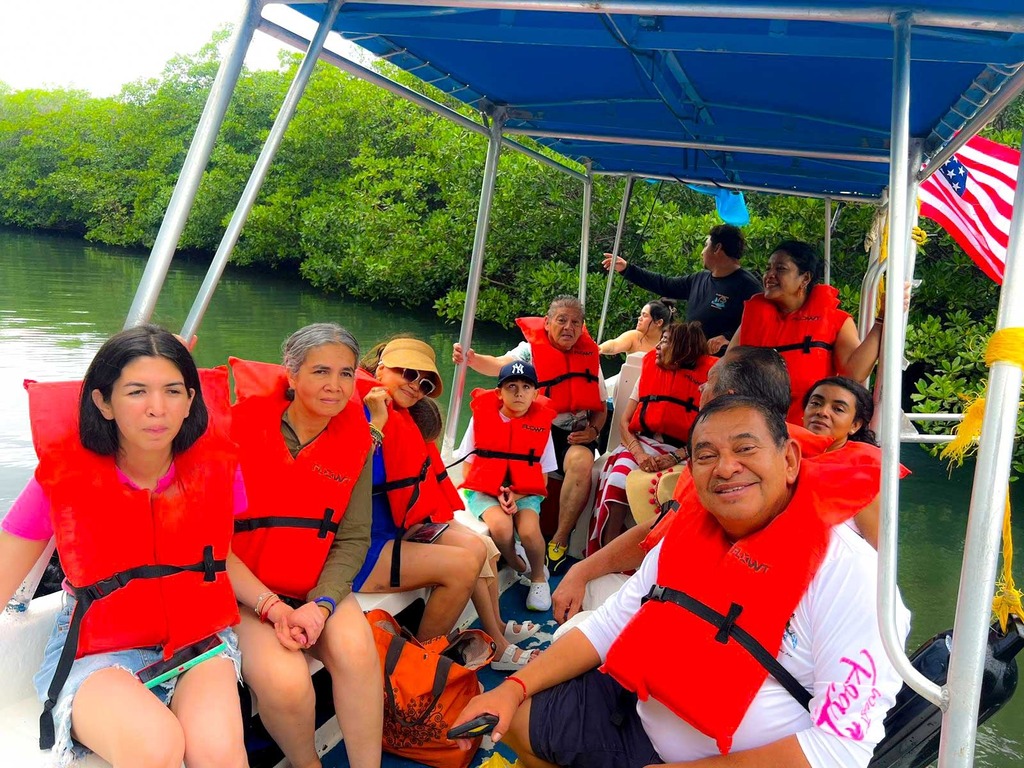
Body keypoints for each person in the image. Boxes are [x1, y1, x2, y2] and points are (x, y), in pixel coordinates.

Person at [453, 396, 909, 768]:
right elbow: (611, 624)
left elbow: (841, 749)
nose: (725, 468)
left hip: (728, 759)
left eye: (745, 449)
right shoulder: (690, 533)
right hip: (638, 714)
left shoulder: (850, 576)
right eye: (706, 455)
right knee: (516, 719)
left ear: (789, 459)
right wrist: (512, 689)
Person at [0, 325, 246, 768]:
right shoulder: (61, 480)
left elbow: (219, 558)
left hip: (195, 637)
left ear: (190, 401)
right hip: (96, 649)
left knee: (219, 755)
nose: (157, 408)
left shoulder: (219, 472)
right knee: (155, 746)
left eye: (173, 391)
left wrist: (272, 605)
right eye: (136, 392)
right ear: (103, 402)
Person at [550, 346, 816, 624]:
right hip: (685, 598)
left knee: (577, 617)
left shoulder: (729, 476)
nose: (701, 387)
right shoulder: (802, 467)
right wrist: (582, 570)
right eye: (706, 456)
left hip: (705, 616)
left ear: (727, 398)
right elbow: (667, 527)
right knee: (587, 589)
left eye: (709, 381)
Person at [228, 323, 382, 768]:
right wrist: (272, 606)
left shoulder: (357, 442)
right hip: (245, 594)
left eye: (346, 373)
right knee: (287, 682)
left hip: (316, 585)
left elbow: (353, 537)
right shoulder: (235, 431)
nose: (335, 385)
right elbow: (211, 539)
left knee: (358, 653)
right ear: (291, 375)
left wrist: (323, 604)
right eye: (320, 371)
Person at [355, 338, 540, 669]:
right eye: (408, 373)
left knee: (479, 546)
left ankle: (495, 633)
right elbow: (345, 474)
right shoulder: (357, 410)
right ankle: (417, 669)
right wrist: (376, 425)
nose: (416, 385)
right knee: (464, 563)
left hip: (395, 529)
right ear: (381, 367)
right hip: (358, 547)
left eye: (425, 383)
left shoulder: (404, 417)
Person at [453, 296, 608, 574]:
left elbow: (601, 407)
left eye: (575, 322)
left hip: (574, 433)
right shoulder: (529, 351)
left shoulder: (589, 358)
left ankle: (559, 540)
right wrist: (472, 360)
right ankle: (515, 530)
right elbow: (500, 364)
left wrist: (593, 430)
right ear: (547, 323)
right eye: (561, 320)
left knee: (581, 462)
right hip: (535, 430)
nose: (568, 327)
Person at [588, 321, 714, 554]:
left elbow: (709, 435)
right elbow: (625, 423)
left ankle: (650, 558)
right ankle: (606, 553)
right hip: (641, 444)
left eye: (664, 342)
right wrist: (639, 454)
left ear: (682, 349)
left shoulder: (707, 385)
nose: (656, 347)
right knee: (617, 481)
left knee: (671, 493)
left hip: (686, 453)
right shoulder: (649, 370)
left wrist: (674, 457)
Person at [729, 240, 884, 424]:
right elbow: (727, 369)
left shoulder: (836, 320)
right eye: (768, 268)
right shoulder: (753, 319)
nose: (769, 275)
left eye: (781, 269)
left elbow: (855, 373)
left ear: (805, 278)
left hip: (807, 429)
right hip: (755, 426)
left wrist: (881, 322)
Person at [456, 361, 557, 612]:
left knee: (530, 531)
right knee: (501, 527)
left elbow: (543, 479)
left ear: (535, 394)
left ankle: (538, 578)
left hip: (525, 491)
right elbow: (467, 468)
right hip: (485, 489)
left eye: (526, 387)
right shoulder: (481, 418)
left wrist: (516, 494)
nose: (519, 393)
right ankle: (519, 565)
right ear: (499, 392)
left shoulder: (542, 426)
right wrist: (496, 492)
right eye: (511, 386)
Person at [602, 224, 761, 355]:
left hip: (722, 369)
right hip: (691, 361)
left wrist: (728, 337)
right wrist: (627, 269)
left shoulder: (749, 288)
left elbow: (761, 327)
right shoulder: (699, 278)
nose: (702, 252)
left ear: (717, 248)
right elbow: (664, 284)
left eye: (706, 245)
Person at [801, 376, 909, 550]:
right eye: (815, 403)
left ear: (855, 425)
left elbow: (880, 550)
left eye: (838, 409)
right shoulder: (784, 456)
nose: (822, 412)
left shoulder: (861, 477)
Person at [597, 299, 674, 356]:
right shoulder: (634, 336)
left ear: (659, 322)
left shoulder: (671, 345)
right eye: (640, 315)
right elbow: (614, 345)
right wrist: (600, 348)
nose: (639, 318)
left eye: (644, 315)